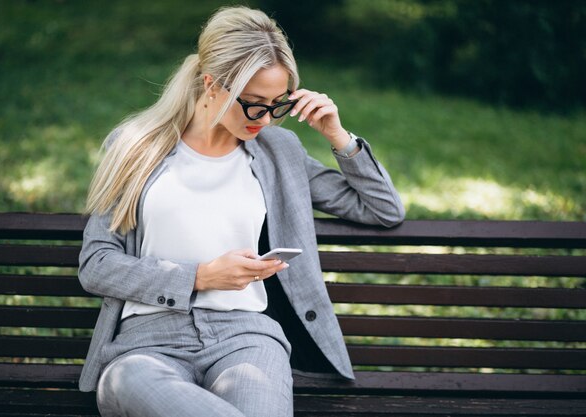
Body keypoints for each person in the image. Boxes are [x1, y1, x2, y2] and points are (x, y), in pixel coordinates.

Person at [78, 5, 405, 417]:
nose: (266, 119)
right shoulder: (135, 147)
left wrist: (338, 137)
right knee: (136, 388)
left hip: (247, 338)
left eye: (277, 104)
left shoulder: (277, 152)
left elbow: (382, 210)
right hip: (145, 345)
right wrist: (200, 276)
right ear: (211, 85)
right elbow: (97, 264)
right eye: (253, 104)